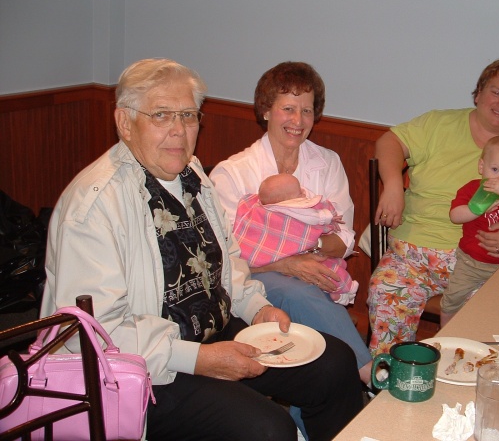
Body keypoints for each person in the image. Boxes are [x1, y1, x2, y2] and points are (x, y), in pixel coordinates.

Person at [40, 58, 363, 441]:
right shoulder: (94, 207)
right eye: (161, 115)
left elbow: (230, 263)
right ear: (125, 123)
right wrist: (200, 359)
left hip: (215, 335)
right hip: (145, 372)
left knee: (335, 364)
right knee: (268, 429)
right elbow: (93, 333)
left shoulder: (192, 176)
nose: (178, 130)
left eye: (189, 115)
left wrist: (257, 308)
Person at [368, 58, 499, 355]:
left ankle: (457, 382)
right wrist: (392, 185)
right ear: (478, 93)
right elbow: (389, 142)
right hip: (413, 250)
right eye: (495, 92)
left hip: (482, 260)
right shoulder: (438, 123)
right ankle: (388, 379)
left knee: (488, 316)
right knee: (385, 289)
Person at [210, 61, 374, 386]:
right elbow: (223, 260)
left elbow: (344, 239)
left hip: (319, 273)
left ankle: (308, 425)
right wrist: (288, 264)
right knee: (298, 293)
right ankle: (367, 372)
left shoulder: (327, 163)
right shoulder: (233, 173)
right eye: (288, 108)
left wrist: (308, 249)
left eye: (307, 110)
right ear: (266, 110)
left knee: (311, 307)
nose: (298, 121)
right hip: (251, 283)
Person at [440, 135, 499, 326]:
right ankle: (445, 332)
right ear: (482, 167)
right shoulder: (472, 189)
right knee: (452, 299)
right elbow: (455, 216)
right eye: (495, 169)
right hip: (470, 263)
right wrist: (475, 210)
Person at [234, 173, 359, 306]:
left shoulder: (254, 208)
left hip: (283, 260)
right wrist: (327, 216)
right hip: (267, 275)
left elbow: (346, 240)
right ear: (286, 200)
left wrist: (315, 244)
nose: (304, 193)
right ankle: (347, 290)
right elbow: (315, 217)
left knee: (316, 271)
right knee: (329, 270)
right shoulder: (296, 210)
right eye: (300, 192)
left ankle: (337, 296)